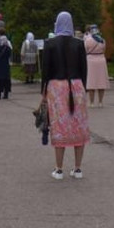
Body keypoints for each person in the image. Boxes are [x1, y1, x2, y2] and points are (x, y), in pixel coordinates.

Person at [41, 11, 90, 180]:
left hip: (56, 87)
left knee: (59, 126)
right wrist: (83, 88)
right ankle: (77, 169)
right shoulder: (79, 43)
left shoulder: (50, 43)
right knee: (78, 125)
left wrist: (43, 90)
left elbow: (45, 71)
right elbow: (84, 70)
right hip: (76, 86)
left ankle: (58, 168)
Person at [0, 29, 12, 100]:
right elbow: (10, 54)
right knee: (6, 80)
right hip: (6, 64)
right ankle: (6, 94)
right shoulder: (8, 47)